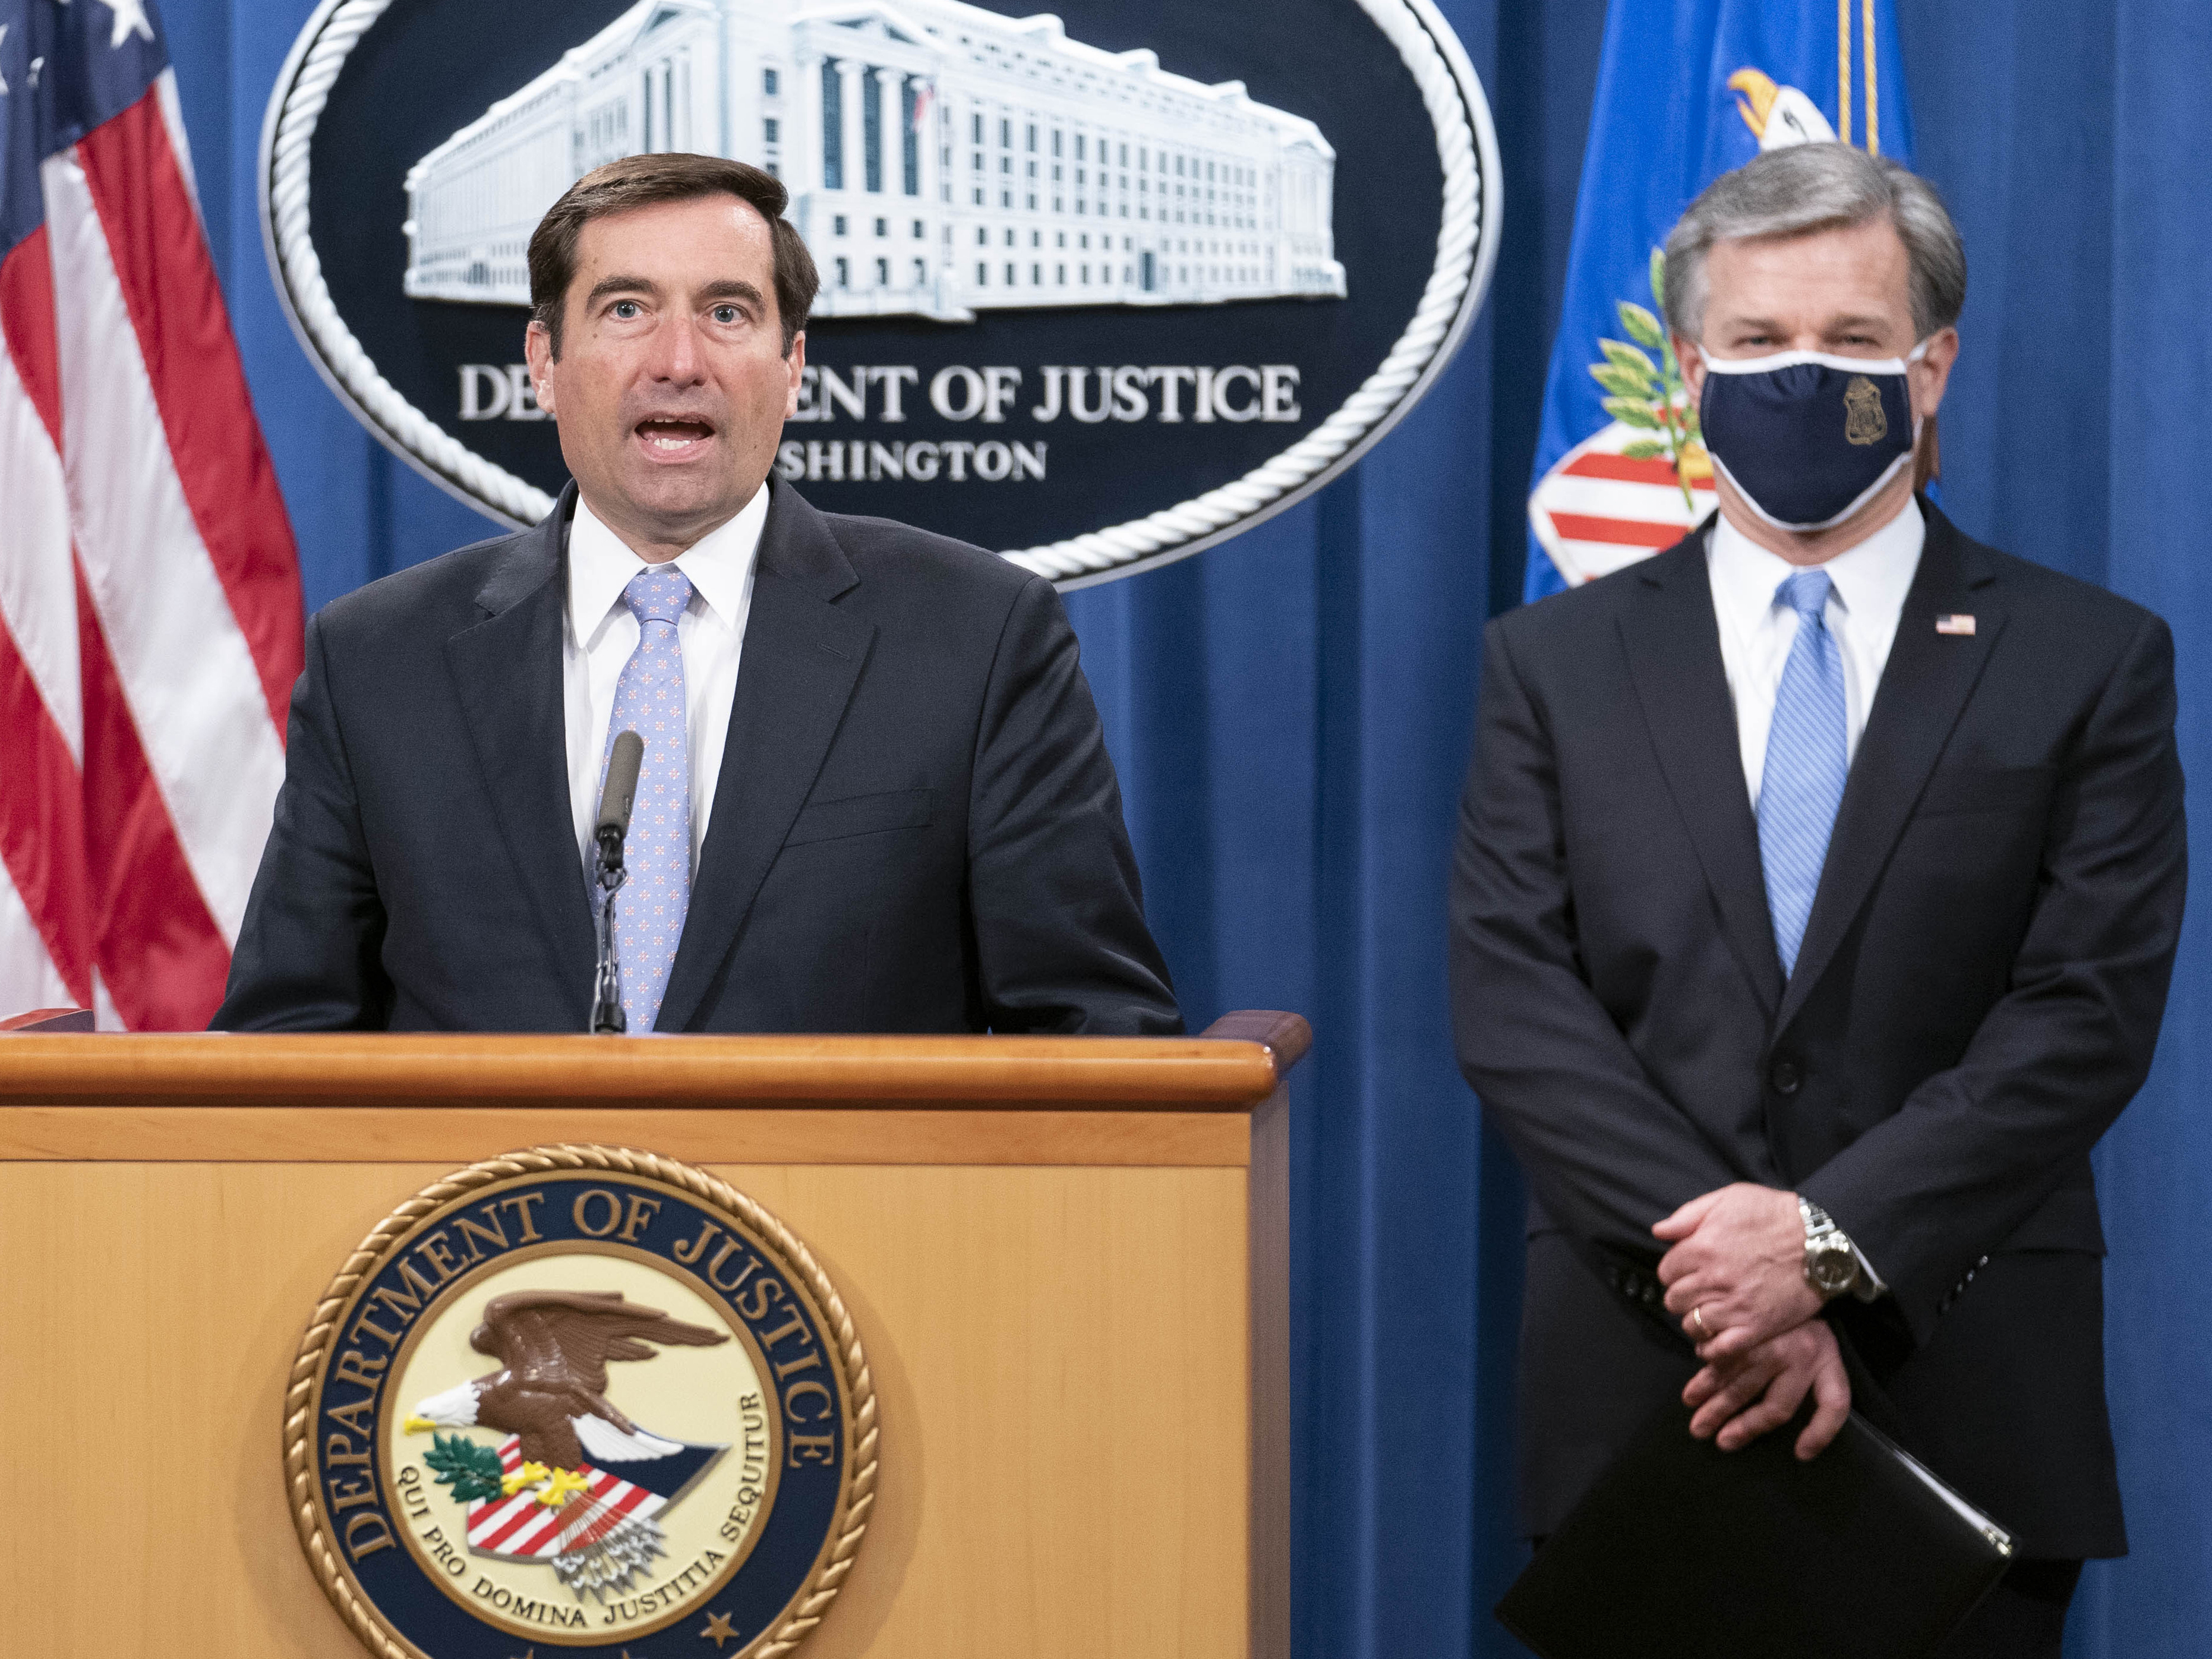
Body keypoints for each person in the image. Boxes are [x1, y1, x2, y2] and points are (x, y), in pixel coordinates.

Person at [1450, 143, 2184, 1656]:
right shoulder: (1553, 664)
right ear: (1688, 368)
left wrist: (1829, 1241)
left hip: (1959, 1387)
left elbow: (2082, 1012)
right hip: (1650, 1383)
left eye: (1849, 344)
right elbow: (1513, 998)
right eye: (1757, 344)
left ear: (1930, 369)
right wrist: (1729, 1284)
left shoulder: (2084, 658)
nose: (1801, 378)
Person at [216, 154, 1179, 1037]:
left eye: (727, 313)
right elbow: (284, 1045)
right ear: (544, 364)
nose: (680, 360)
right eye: (626, 310)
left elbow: (1092, 1031)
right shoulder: (381, 660)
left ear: (792, 367)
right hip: (494, 1227)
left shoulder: (976, 639)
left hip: (847, 1227)